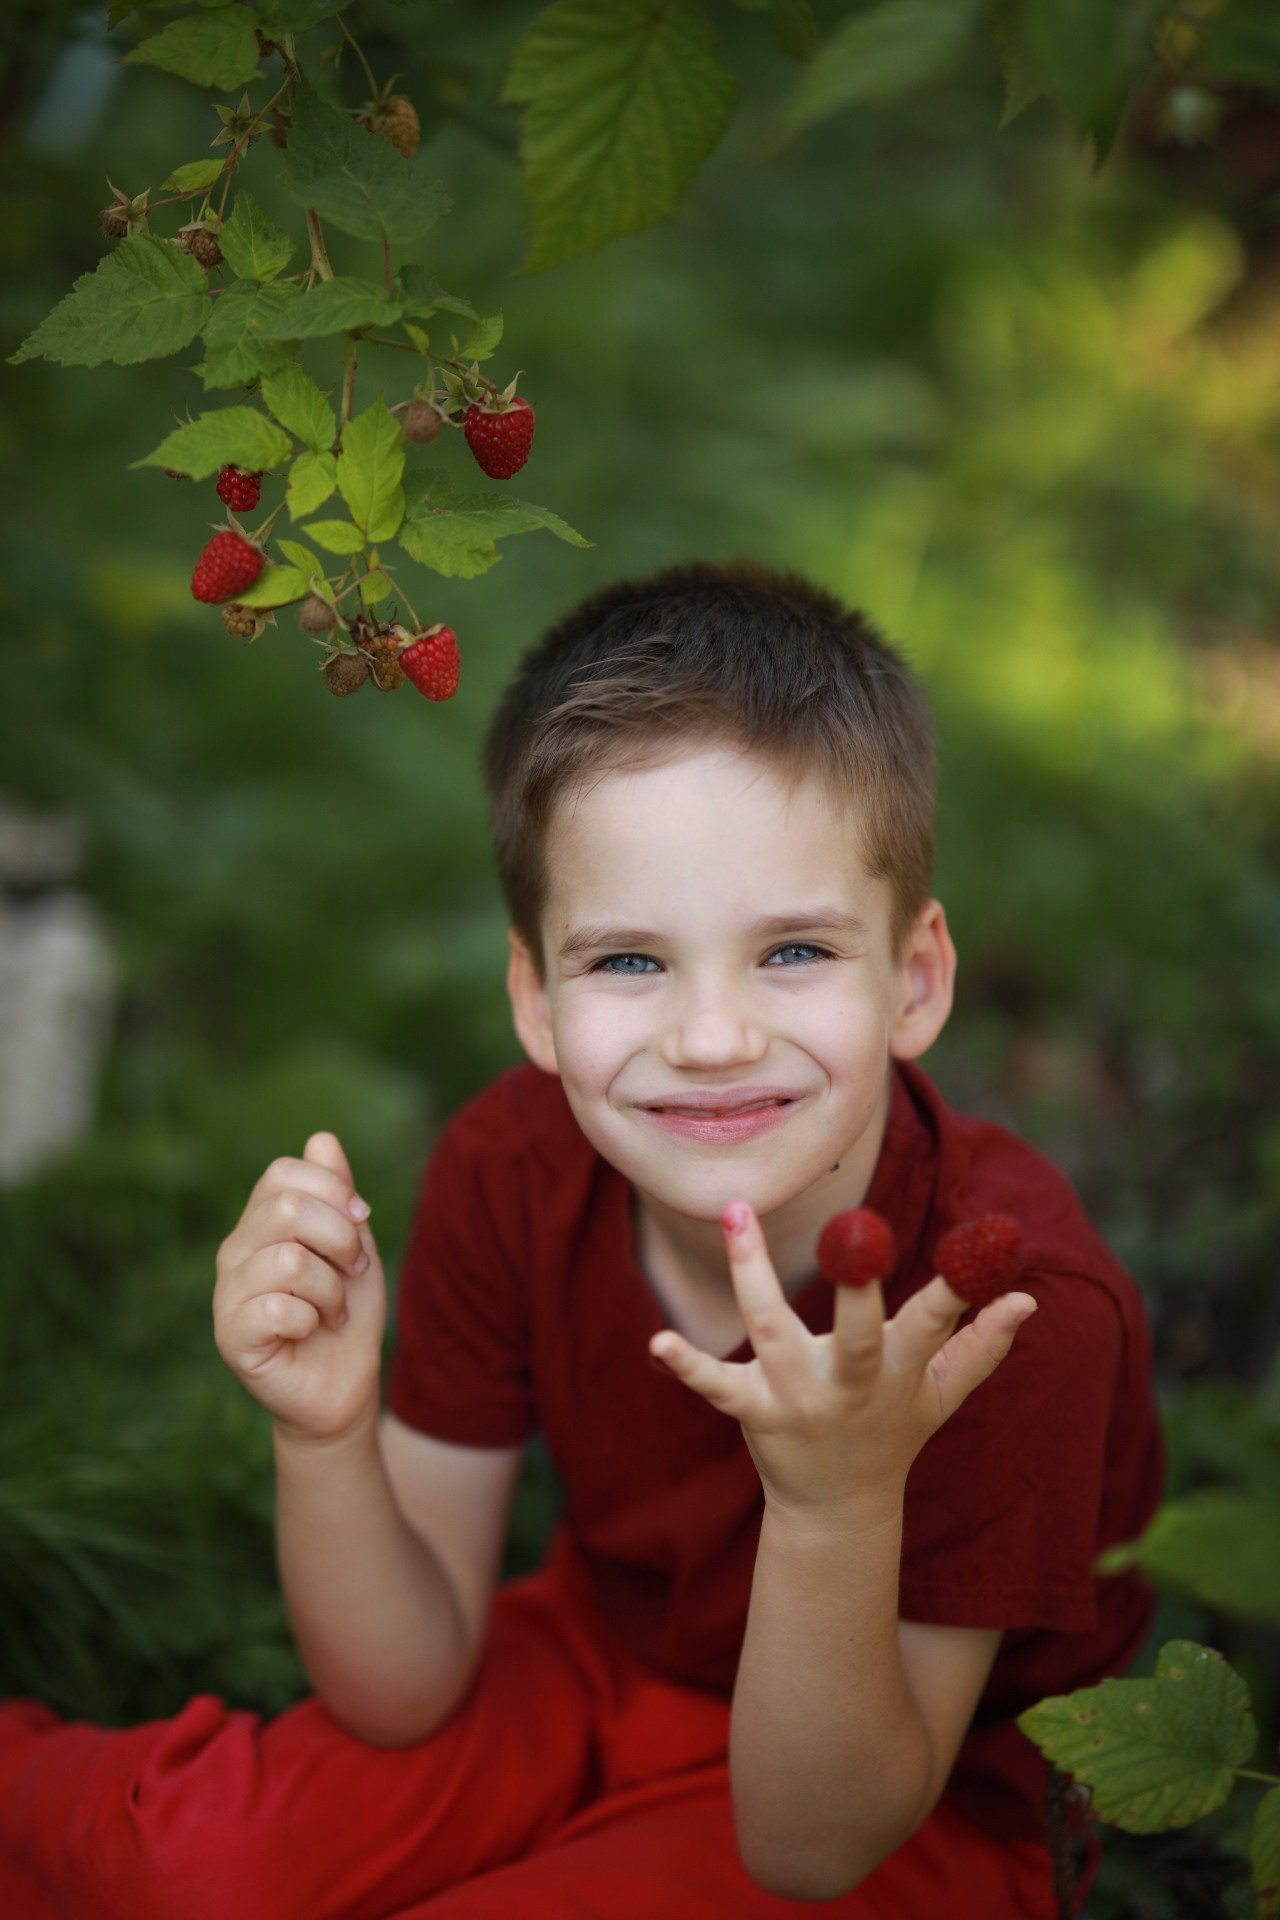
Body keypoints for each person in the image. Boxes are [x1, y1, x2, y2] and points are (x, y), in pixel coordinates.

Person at [0, 560, 1164, 1920]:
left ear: (913, 979)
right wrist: (326, 1434)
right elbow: (403, 1689)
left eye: (792, 951)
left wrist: (838, 1503)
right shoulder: (515, 1166)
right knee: (184, 1860)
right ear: (537, 1001)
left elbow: (816, 1845)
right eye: (628, 960)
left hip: (907, 1792)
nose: (712, 1037)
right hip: (597, 1659)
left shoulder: (1009, 1307)